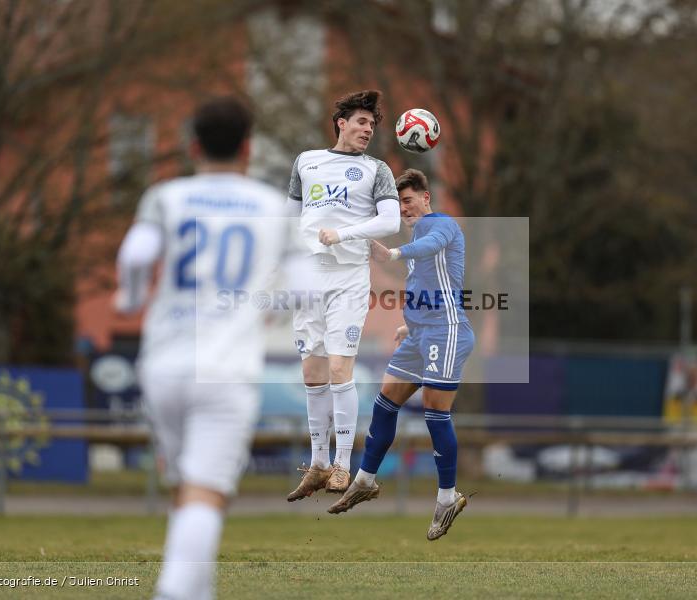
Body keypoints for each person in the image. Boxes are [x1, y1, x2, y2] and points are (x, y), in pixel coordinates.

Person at [115, 97, 292, 600]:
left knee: (187, 489)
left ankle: (195, 590)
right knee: (205, 492)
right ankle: (174, 591)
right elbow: (309, 288)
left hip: (163, 364)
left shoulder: (166, 196)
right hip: (225, 369)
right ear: (248, 149)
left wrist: (128, 297)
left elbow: (135, 254)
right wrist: (274, 305)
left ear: (193, 146)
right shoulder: (273, 207)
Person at [327, 169, 475, 540]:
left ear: (426, 198)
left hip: (448, 331)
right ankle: (365, 480)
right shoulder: (418, 238)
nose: (405, 208)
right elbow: (434, 284)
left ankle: (446, 497)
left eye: (409, 200)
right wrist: (412, 324)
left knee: (434, 411)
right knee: (385, 400)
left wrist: (391, 251)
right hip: (422, 332)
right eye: (400, 203)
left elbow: (429, 247)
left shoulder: (440, 224)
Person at [285, 90, 400, 500]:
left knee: (339, 369)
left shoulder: (376, 170)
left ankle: (342, 465)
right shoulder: (306, 161)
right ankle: (317, 463)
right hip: (308, 275)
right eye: (362, 122)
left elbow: (390, 219)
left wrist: (344, 234)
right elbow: (289, 216)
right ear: (341, 123)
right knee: (312, 373)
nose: (368, 130)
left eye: (372, 125)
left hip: (349, 276)